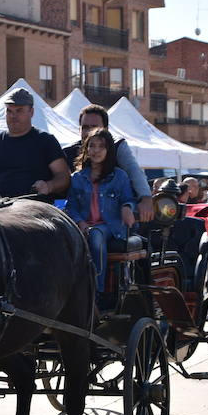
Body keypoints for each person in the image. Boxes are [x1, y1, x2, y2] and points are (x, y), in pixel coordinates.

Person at [64, 128, 136, 303]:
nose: (95, 150)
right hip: (84, 227)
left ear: (108, 150)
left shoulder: (119, 176)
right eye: (92, 146)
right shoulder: (77, 178)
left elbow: (129, 199)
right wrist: (80, 223)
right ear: (86, 149)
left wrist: (127, 207)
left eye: (101, 146)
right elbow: (71, 206)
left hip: (111, 227)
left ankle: (97, 290)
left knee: (96, 235)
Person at [0, 88, 69, 203]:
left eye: (19, 110)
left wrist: (49, 186)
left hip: (38, 211)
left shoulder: (46, 141)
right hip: (1, 210)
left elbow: (64, 177)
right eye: (9, 111)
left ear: (31, 112)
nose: (13, 116)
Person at [63, 104, 153, 222]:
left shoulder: (118, 147)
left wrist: (145, 198)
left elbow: (134, 172)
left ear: (105, 129)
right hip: (81, 223)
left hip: (114, 222)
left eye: (94, 127)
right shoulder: (68, 152)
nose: (89, 132)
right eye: (85, 127)